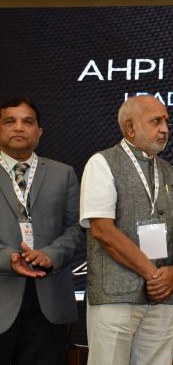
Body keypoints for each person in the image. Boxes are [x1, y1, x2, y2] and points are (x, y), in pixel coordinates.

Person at [80, 96, 173, 365]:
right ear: (130, 127)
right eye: (156, 121)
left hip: (162, 295)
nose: (165, 129)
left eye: (166, 121)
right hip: (115, 295)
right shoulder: (102, 163)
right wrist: (154, 275)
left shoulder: (170, 171)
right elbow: (103, 231)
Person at [0, 97, 83, 365]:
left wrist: (51, 255)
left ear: (39, 131)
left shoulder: (64, 174)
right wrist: (8, 258)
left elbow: (77, 228)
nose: (19, 127)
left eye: (28, 122)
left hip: (50, 301)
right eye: (9, 121)